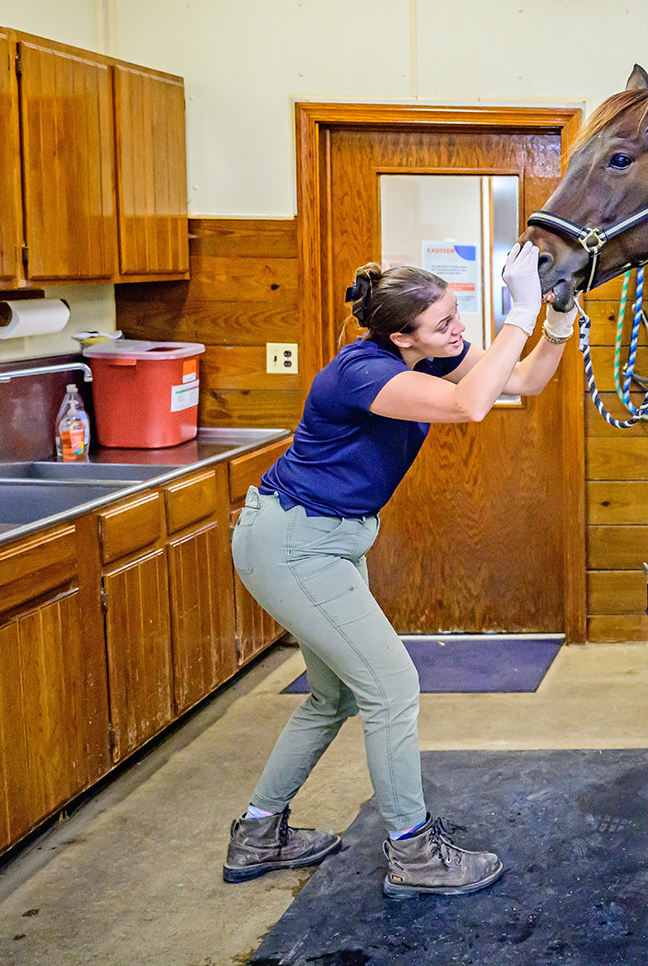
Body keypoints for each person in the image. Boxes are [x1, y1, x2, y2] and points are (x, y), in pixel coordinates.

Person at [223, 242, 570, 898]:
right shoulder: (362, 372)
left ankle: (259, 832)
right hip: (293, 543)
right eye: (443, 323)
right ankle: (412, 853)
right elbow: (469, 406)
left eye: (457, 313)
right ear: (395, 334)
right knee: (391, 685)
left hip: (323, 540)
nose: (457, 330)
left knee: (335, 695)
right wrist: (519, 309)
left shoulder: (428, 353)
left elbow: (520, 382)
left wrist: (555, 318)